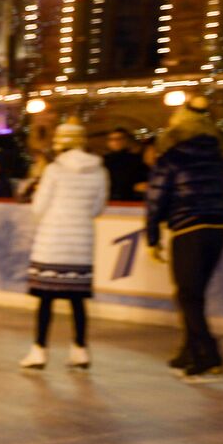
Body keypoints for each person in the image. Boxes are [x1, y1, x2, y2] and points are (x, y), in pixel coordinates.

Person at [146, 96, 223, 382]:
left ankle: (209, 353)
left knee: (187, 294)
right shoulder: (219, 157)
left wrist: (152, 234)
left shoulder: (173, 154)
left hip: (188, 230)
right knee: (194, 294)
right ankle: (188, 352)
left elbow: (157, 196)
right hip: (217, 230)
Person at [20, 119, 107, 371]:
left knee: (45, 300)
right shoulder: (100, 170)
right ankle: (80, 350)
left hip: (53, 240)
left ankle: (39, 351)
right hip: (81, 242)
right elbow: (97, 208)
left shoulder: (54, 170)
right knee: (77, 300)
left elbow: (39, 207)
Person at [102, 127, 148, 201]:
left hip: (130, 201)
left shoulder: (136, 161)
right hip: (108, 201)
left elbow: (142, 182)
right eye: (112, 139)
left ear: (126, 141)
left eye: (119, 139)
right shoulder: (102, 161)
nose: (115, 142)